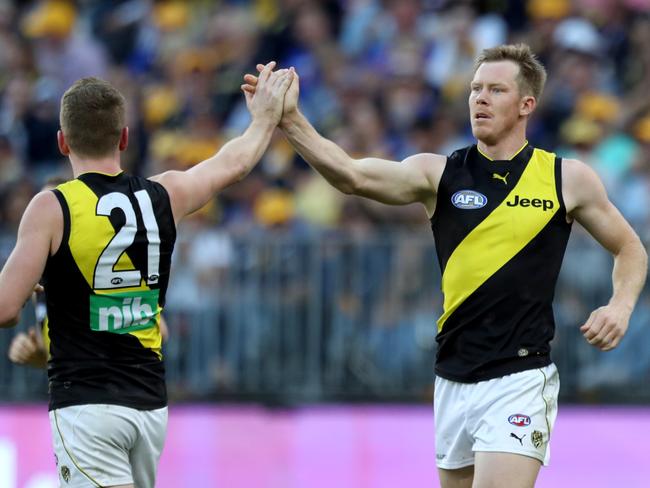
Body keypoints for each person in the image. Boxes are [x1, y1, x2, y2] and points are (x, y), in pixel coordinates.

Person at [242, 44, 648, 488]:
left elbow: (630, 248)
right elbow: (350, 175)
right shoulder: (438, 174)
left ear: (526, 104)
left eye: (496, 89)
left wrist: (620, 306)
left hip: (520, 376)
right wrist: (290, 120)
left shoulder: (565, 178)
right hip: (452, 378)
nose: (480, 98)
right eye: (475, 89)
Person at [0, 63, 292, 488]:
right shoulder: (164, 194)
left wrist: (30, 287)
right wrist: (266, 116)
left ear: (63, 142)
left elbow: (5, 309)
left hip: (86, 406)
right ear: (123, 137)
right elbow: (235, 162)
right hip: (149, 407)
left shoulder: (51, 208)